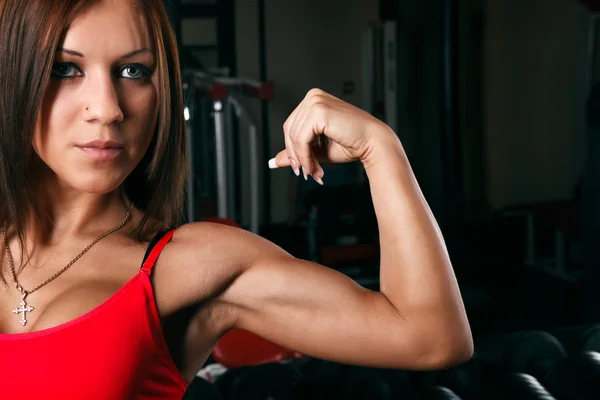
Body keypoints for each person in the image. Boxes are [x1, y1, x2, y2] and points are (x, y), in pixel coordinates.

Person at [0, 0, 473, 398]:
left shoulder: (191, 268)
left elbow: (430, 338)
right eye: (66, 68)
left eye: (132, 70)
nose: (107, 108)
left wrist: (381, 148)